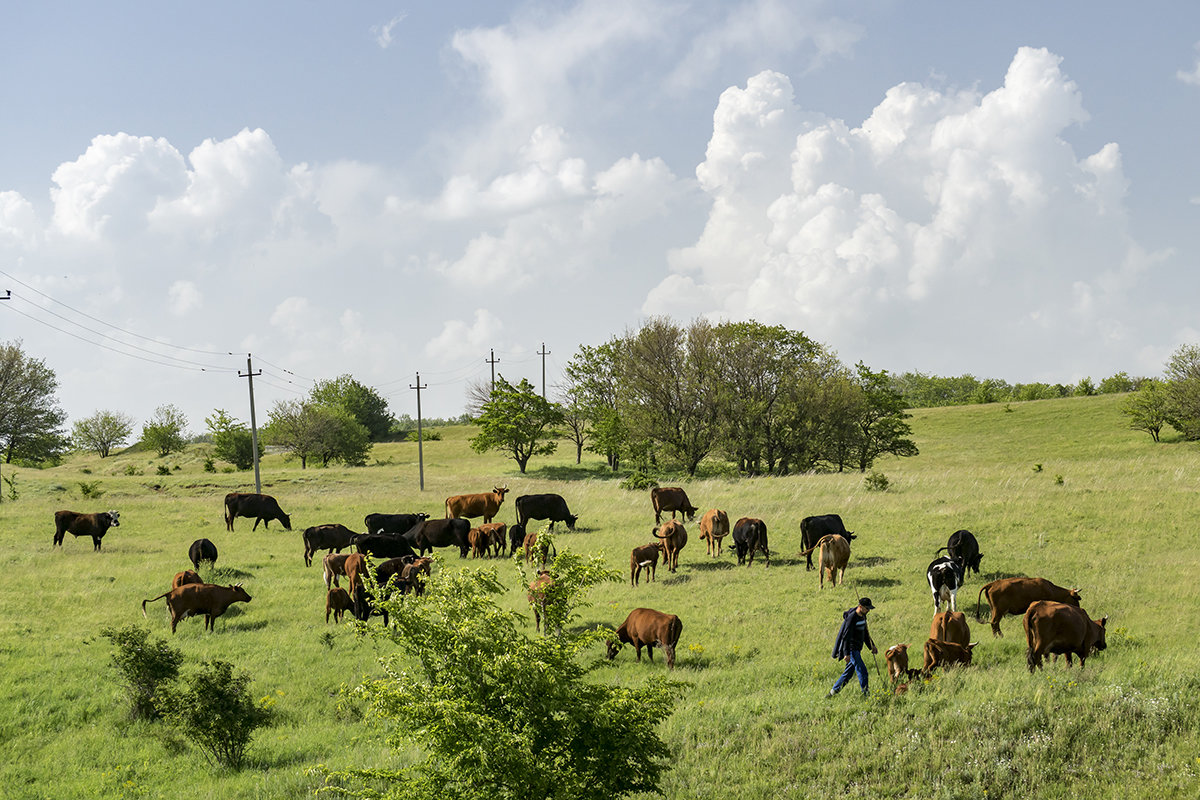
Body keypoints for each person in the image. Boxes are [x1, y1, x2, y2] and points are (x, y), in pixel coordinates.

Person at [828, 597, 877, 697]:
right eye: (867, 608)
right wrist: (846, 653)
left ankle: (832, 693)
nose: (868, 611)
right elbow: (845, 637)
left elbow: (865, 634)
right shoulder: (851, 618)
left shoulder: (863, 616)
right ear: (860, 607)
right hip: (851, 649)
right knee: (862, 671)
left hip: (857, 648)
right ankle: (866, 695)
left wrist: (872, 646)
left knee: (848, 674)